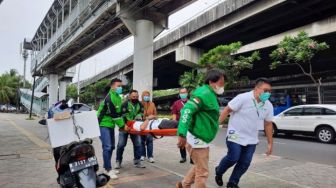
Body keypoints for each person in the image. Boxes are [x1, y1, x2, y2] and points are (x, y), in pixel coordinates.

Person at [214, 77, 274, 188]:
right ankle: (219, 171)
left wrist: (270, 143)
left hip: (251, 138)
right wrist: (215, 125)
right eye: (266, 90)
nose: (268, 93)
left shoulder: (268, 105)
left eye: (270, 91)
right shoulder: (243, 98)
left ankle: (232, 183)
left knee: (245, 162)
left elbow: (268, 124)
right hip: (235, 134)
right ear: (256, 89)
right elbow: (227, 109)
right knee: (233, 157)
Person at [176, 69, 226, 188]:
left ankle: (183, 185)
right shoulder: (203, 94)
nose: (223, 85)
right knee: (202, 172)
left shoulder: (210, 93)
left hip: (201, 138)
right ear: (211, 82)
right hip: (197, 139)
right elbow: (186, 111)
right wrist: (181, 134)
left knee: (198, 166)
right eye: (221, 82)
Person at [96, 78, 125, 179]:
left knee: (112, 146)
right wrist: (123, 126)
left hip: (110, 125)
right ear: (112, 86)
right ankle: (108, 169)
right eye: (118, 86)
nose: (120, 88)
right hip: (102, 124)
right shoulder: (109, 98)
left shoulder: (118, 97)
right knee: (107, 146)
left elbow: (119, 113)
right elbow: (113, 114)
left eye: (121, 86)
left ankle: (107, 167)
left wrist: (124, 123)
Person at [115, 90, 145, 169]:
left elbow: (141, 114)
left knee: (138, 144)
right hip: (124, 127)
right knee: (121, 145)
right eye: (133, 97)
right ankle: (118, 161)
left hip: (135, 128)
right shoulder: (124, 104)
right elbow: (122, 115)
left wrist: (139, 116)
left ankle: (137, 161)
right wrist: (125, 125)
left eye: (136, 97)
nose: (135, 98)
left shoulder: (140, 104)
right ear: (129, 97)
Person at [171, 88, 190, 163]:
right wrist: (174, 123)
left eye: (184, 92)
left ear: (187, 93)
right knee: (181, 141)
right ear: (179, 94)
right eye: (181, 93)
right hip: (180, 125)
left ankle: (192, 158)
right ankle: (183, 157)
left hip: (190, 125)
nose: (183, 94)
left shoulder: (191, 102)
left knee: (191, 142)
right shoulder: (176, 103)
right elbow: (174, 114)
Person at [140, 90, 157, 163]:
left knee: (149, 140)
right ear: (142, 96)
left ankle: (150, 156)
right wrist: (145, 117)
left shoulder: (152, 104)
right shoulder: (140, 104)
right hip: (141, 124)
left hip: (150, 125)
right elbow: (138, 115)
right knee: (141, 141)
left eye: (148, 95)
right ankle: (142, 155)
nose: (147, 97)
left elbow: (155, 114)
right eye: (145, 95)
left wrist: (152, 117)